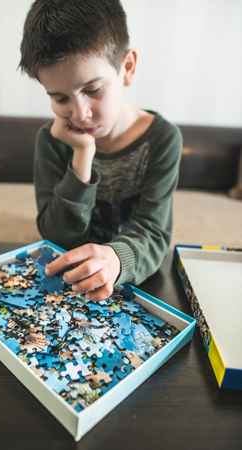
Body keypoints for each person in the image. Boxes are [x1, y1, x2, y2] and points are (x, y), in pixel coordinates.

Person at [18, 0, 182, 301]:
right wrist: (82, 157)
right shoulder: (52, 141)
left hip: (132, 277)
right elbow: (56, 237)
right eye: (60, 98)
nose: (79, 115)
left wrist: (117, 259)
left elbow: (154, 233)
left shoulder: (162, 139)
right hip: (71, 279)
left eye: (93, 90)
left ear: (127, 68)